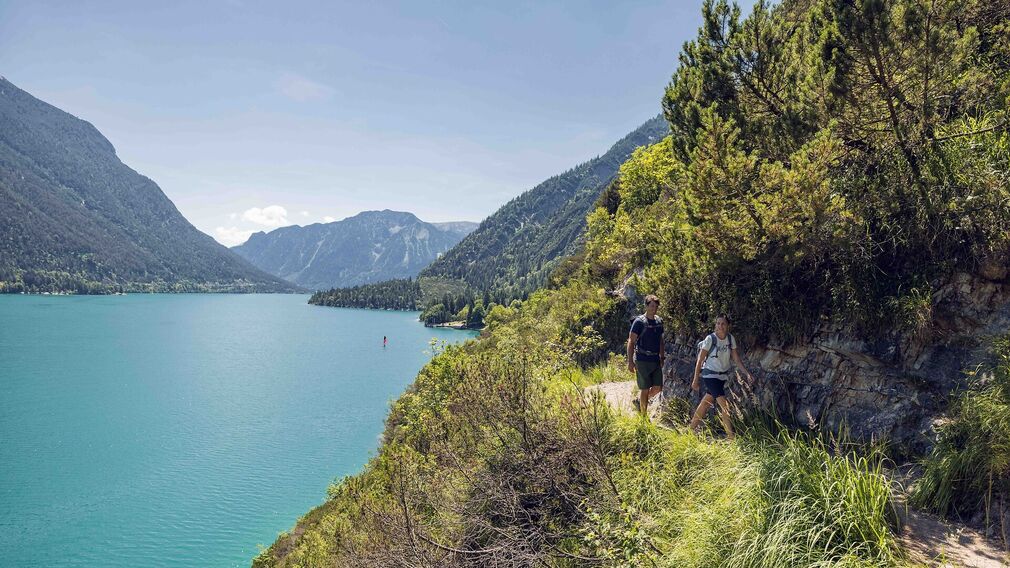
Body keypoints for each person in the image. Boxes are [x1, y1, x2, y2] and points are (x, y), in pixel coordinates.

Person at [689, 314, 753, 440]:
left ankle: (691, 430)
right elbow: (700, 360)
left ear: (728, 326)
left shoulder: (730, 339)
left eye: (723, 323)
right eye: (718, 323)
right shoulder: (710, 339)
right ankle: (731, 437)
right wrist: (695, 379)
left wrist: (746, 373)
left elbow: (736, 359)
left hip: (721, 377)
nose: (720, 326)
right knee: (725, 406)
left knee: (706, 402)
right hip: (710, 375)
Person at [628, 295, 665, 416]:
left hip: (655, 359)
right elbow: (631, 341)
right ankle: (643, 417)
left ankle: (640, 401)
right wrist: (630, 361)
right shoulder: (639, 322)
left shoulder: (659, 321)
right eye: (652, 306)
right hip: (642, 359)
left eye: (656, 306)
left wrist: (662, 356)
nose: (654, 308)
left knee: (658, 388)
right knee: (645, 388)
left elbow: (660, 340)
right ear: (647, 306)